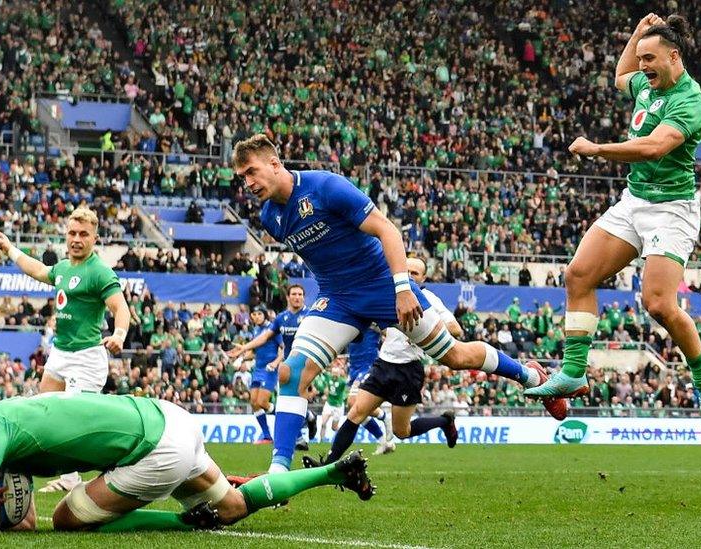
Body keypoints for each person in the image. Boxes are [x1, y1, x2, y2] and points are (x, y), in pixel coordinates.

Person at [233, 134, 564, 473]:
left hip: (383, 287)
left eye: (251, 172)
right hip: (337, 297)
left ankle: (531, 377)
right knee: (292, 371)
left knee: (455, 355)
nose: (248, 183)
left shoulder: (325, 187)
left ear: (274, 164)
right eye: (242, 177)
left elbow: (387, 230)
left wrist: (403, 289)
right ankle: (278, 473)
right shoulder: (270, 217)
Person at [525, 14, 701, 439]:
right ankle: (573, 372)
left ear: (674, 57)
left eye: (650, 59)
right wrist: (636, 36)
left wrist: (598, 149)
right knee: (578, 274)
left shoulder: (689, 100)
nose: (643, 67)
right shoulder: (646, 84)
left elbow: (654, 147)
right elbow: (621, 75)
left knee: (658, 304)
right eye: (641, 59)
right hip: (634, 202)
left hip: (671, 210)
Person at [0, 387, 372, 536]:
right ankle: (332, 471)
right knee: (236, 507)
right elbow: (22, 521)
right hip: (169, 414)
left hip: (156, 450)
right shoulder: (9, 416)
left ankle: (182, 522)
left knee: (69, 516)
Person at [308, 258, 567, 467]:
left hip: (407, 370)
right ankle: (329, 463)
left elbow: (455, 329)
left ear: (423, 279)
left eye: (416, 272)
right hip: (383, 364)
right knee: (356, 411)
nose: (410, 274)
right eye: (406, 269)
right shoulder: (388, 293)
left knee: (402, 431)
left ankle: (444, 421)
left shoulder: (429, 300)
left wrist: (426, 332)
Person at [0, 206, 131, 492]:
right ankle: (69, 480)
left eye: (83, 234)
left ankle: (119, 465)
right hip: (61, 352)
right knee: (48, 411)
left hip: (87, 357)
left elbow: (120, 307)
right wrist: (11, 250)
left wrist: (119, 333)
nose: (76, 239)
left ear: (94, 238)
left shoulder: (100, 272)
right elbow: (38, 270)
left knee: (78, 424)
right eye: (72, 233)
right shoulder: (63, 268)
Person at [227, 284, 318, 449]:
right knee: (278, 403)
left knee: (286, 402)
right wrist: (244, 349)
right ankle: (304, 424)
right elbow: (264, 338)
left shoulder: (310, 316)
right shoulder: (281, 318)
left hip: (304, 364)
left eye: (300, 294)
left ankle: (301, 429)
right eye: (294, 294)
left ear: (303, 297)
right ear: (288, 297)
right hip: (287, 366)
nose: (297, 297)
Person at [239, 306, 282, 444]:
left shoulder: (273, 329)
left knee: (263, 402)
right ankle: (267, 436)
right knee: (254, 402)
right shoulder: (256, 330)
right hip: (258, 370)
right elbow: (255, 351)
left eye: (259, 314)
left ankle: (289, 417)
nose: (256, 316)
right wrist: (242, 357)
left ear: (265, 315)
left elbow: (283, 348)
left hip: (269, 369)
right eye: (254, 314)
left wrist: (276, 362)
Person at [345, 324, 391, 452]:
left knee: (352, 402)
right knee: (355, 408)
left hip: (368, 365)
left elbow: (389, 332)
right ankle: (383, 441)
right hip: (354, 367)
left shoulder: (373, 316)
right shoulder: (351, 317)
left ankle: (384, 417)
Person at [317, 363, 348, 442]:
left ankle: (344, 436)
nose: (334, 375)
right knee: (323, 423)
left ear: (339, 374)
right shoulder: (328, 377)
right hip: (329, 404)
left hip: (338, 406)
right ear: (331, 372)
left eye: (336, 373)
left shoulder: (342, 382)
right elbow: (321, 370)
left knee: (334, 428)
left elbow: (347, 382)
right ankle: (321, 441)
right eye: (333, 373)